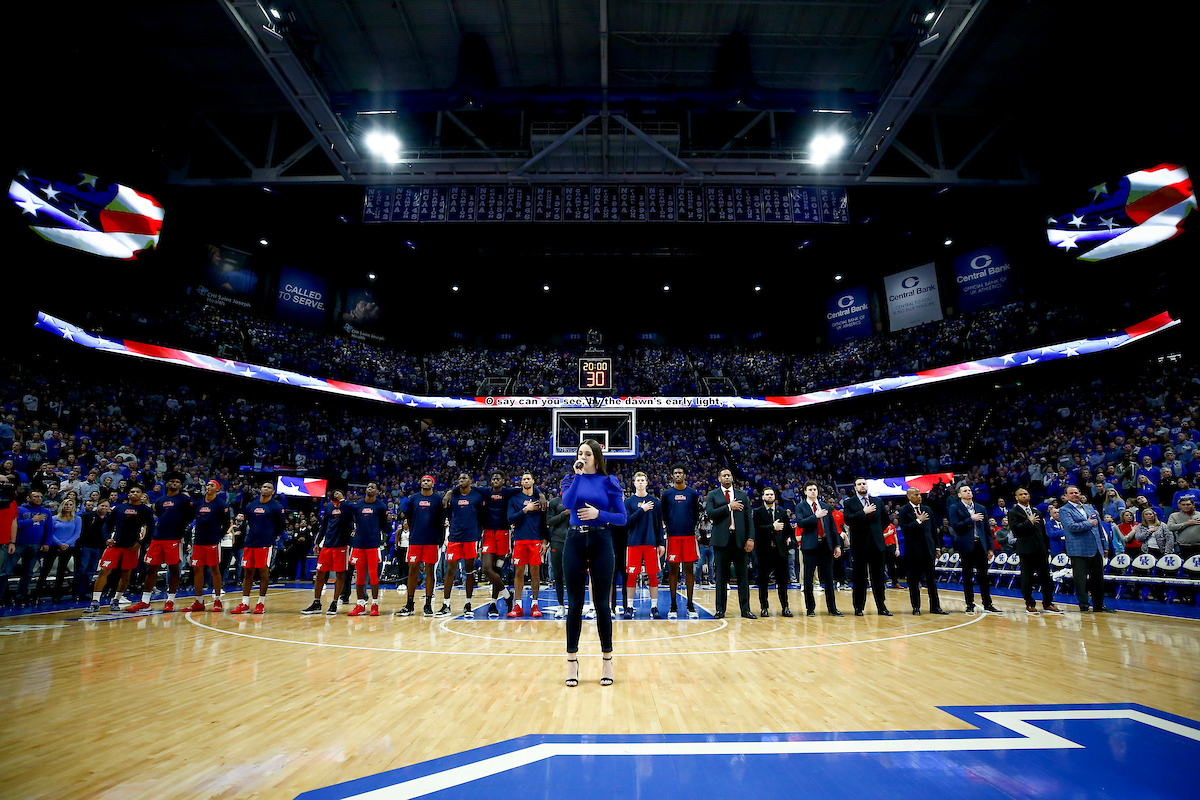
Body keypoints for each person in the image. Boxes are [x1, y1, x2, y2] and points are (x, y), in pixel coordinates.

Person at [560, 439, 626, 687]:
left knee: (601, 604)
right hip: (575, 539)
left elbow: (621, 518)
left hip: (601, 539)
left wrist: (600, 515)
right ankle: (571, 661)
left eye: (588, 453)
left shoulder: (609, 482)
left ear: (596, 457)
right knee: (574, 603)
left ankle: (607, 659)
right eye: (580, 453)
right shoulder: (570, 479)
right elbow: (568, 504)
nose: (583, 456)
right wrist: (577, 476)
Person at [127, 471, 195, 613]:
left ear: (180, 484)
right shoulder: (159, 501)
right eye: (171, 481)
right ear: (167, 483)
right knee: (151, 569)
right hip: (158, 539)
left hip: (174, 539)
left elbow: (190, 516)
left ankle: (170, 600)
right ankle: (145, 602)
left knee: (174, 570)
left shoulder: (184, 500)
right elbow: (159, 516)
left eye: (177, 482)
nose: (174, 484)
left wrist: (180, 529)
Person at [89, 484, 154, 612]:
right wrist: (106, 538)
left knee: (126, 575)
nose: (134, 493)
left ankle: (116, 600)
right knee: (104, 571)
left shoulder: (146, 511)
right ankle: (95, 601)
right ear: (128, 494)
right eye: (132, 491)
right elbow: (107, 525)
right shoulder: (119, 508)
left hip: (132, 547)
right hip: (115, 545)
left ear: (142, 496)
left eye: (137, 491)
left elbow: (151, 529)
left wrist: (141, 543)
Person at [704, 468, 755, 620]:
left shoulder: (743, 495)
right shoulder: (713, 495)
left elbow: (749, 519)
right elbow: (710, 514)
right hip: (721, 540)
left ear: (732, 477)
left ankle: (745, 609)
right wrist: (728, 507)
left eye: (729, 475)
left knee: (743, 577)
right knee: (721, 576)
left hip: (740, 540)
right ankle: (720, 609)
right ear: (719, 478)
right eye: (723, 475)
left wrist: (750, 538)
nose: (727, 477)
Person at [1008, 487, 1064, 615]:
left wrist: (1046, 547)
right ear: (1016, 497)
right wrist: (1029, 521)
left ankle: (1048, 603)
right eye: (1021, 494)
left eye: (1026, 493)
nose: (1024, 495)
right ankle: (1030, 603)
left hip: (1040, 549)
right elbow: (1016, 530)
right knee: (1027, 578)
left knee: (1045, 578)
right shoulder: (1013, 512)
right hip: (1026, 550)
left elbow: (1042, 532)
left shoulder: (1037, 511)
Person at [948, 483, 1001, 615]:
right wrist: (970, 519)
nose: (968, 492)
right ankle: (969, 604)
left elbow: (987, 530)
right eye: (965, 491)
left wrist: (990, 548)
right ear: (959, 495)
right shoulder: (955, 508)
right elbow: (955, 526)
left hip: (981, 545)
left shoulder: (981, 508)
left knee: (983, 576)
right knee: (967, 576)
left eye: (969, 490)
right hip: (966, 546)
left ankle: (988, 604)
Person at [1059, 485, 1114, 613]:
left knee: (1098, 579)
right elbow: (1071, 527)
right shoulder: (1064, 510)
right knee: (1080, 580)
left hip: (1096, 548)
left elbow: (1099, 528)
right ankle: (1084, 605)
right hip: (1078, 549)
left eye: (1077, 492)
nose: (1075, 495)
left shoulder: (1089, 508)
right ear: (1066, 496)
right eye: (1071, 493)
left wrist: (1105, 546)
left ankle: (1099, 605)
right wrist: (1089, 523)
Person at [397, 475, 446, 617]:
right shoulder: (413, 499)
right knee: (412, 571)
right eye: (423, 480)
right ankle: (409, 604)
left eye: (428, 480)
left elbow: (441, 521)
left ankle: (428, 604)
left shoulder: (437, 499)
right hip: (416, 540)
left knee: (429, 572)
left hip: (431, 540)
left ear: (433, 483)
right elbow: (409, 518)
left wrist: (439, 539)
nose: (425, 482)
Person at [439, 473, 487, 618]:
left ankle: (468, 604)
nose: (462, 480)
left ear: (471, 481)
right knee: (450, 571)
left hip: (471, 538)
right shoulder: (452, 496)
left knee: (469, 571)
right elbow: (448, 513)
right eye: (459, 478)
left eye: (465, 478)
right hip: (455, 537)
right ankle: (446, 604)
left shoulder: (477, 496)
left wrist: (477, 534)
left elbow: (481, 516)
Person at [233, 482, 286, 614]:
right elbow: (250, 521)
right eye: (264, 486)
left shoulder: (276, 507)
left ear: (273, 492)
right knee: (248, 572)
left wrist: (271, 536)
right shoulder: (251, 505)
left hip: (265, 543)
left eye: (269, 487)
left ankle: (260, 603)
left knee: (263, 571)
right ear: (260, 489)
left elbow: (280, 526)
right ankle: (245, 603)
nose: (265, 489)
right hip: (250, 542)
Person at [843, 478, 893, 617]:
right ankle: (859, 607)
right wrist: (863, 512)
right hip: (859, 545)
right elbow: (848, 519)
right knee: (860, 577)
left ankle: (881, 606)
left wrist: (875, 532)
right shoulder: (849, 502)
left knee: (878, 577)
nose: (862, 486)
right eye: (859, 484)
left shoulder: (877, 501)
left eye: (864, 483)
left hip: (877, 544)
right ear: (855, 487)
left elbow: (885, 520)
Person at [896, 487, 948, 615]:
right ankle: (916, 607)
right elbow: (906, 529)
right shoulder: (903, 511)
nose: (920, 496)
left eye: (920, 494)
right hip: (913, 551)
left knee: (931, 580)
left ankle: (935, 607)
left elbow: (933, 530)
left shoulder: (927, 509)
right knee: (913, 580)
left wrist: (936, 547)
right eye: (916, 494)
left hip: (928, 550)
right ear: (909, 496)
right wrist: (919, 521)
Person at [795, 481, 843, 617]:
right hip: (810, 546)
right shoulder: (800, 507)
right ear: (805, 492)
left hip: (825, 546)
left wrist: (837, 545)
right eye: (810, 489)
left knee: (828, 578)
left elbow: (832, 527)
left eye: (814, 489)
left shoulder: (825, 506)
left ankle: (832, 608)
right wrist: (815, 516)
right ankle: (810, 608)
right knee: (808, 579)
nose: (813, 491)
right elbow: (800, 523)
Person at [660, 464, 701, 620]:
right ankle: (673, 605)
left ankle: (690, 605)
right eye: (675, 473)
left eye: (680, 473)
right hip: (673, 537)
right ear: (672, 475)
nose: (678, 475)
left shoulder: (692, 493)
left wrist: (690, 526)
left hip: (689, 536)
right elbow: (664, 514)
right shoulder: (667, 494)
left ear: (685, 475)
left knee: (689, 571)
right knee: (673, 571)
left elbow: (696, 514)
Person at [478, 471, 521, 618]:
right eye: (493, 478)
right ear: (491, 481)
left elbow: (527, 488)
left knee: (497, 569)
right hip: (489, 534)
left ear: (503, 480)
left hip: (503, 534)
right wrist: (450, 492)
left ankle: (493, 603)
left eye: (498, 478)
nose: (496, 480)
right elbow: (467, 486)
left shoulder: (508, 492)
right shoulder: (485, 491)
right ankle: (507, 594)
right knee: (486, 568)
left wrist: (540, 494)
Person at [622, 471, 664, 620]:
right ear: (634, 483)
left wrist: (661, 543)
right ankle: (629, 607)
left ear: (646, 483)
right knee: (632, 574)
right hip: (633, 543)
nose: (640, 482)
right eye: (637, 480)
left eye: (642, 480)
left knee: (653, 574)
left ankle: (654, 607)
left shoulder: (655, 502)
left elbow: (659, 524)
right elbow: (627, 522)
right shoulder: (628, 502)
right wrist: (642, 510)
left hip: (651, 542)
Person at [506, 472, 548, 618]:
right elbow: (510, 519)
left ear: (533, 481)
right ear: (521, 482)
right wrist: (526, 510)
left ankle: (534, 605)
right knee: (518, 572)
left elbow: (544, 522)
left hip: (535, 540)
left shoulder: (540, 498)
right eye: (524, 479)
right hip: (519, 540)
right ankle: (518, 606)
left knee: (535, 573)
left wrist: (544, 541)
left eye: (528, 478)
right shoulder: (514, 499)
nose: (526, 480)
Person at [303, 490, 351, 615]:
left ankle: (334, 602)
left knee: (340, 574)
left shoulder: (347, 506)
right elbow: (324, 526)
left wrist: (342, 502)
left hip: (341, 544)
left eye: (338, 493)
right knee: (320, 573)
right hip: (327, 544)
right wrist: (318, 542)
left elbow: (348, 521)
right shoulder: (329, 506)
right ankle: (316, 602)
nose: (335, 495)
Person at [186, 480, 230, 612]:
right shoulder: (199, 503)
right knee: (197, 570)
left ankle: (217, 600)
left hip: (212, 542)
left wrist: (218, 537)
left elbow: (226, 524)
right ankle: (199, 601)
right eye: (207, 485)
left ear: (217, 489)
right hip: (198, 542)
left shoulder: (221, 505)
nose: (209, 487)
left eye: (212, 485)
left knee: (214, 570)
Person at [347, 482, 389, 617]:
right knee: (359, 576)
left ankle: (375, 604)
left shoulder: (381, 507)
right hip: (358, 544)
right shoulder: (357, 505)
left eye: (373, 487)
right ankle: (360, 604)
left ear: (377, 492)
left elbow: (385, 527)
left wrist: (388, 522)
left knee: (373, 575)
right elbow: (351, 520)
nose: (369, 488)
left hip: (373, 544)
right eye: (368, 486)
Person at [753, 487, 794, 617]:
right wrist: (772, 527)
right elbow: (756, 529)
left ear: (775, 497)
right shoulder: (758, 512)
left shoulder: (782, 512)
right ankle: (764, 607)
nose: (769, 496)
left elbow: (788, 530)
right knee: (763, 581)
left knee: (782, 581)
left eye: (771, 494)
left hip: (780, 551)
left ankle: (785, 607)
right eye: (767, 494)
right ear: (763, 497)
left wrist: (787, 539)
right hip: (764, 551)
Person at [35, 497, 81, 602]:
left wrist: (66, 545)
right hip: (53, 546)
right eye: (66, 504)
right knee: (45, 570)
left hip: (68, 547)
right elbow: (50, 533)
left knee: (61, 571)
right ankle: (37, 595)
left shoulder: (77, 519)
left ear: (73, 507)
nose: (68, 506)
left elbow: (77, 534)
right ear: (62, 506)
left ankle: (57, 595)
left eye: (70, 505)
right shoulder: (54, 518)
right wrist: (59, 544)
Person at [10, 490, 51, 606]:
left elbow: (49, 530)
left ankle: (21, 596)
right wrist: (33, 520)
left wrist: (46, 543)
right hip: (18, 544)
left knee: (28, 573)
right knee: (6, 571)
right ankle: (3, 596)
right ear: (28, 498)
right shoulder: (20, 510)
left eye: (40, 496)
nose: (39, 498)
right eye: (35, 496)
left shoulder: (46, 512)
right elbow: (16, 525)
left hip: (35, 545)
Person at [73, 498, 109, 601]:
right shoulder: (86, 516)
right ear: (97, 506)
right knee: (81, 569)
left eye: (106, 506)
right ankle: (76, 592)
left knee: (91, 571)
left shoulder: (108, 519)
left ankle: (84, 592)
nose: (104, 508)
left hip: (99, 547)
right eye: (102, 505)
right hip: (86, 546)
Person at [546, 491, 571, 618]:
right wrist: (564, 514)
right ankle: (561, 605)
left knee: (574, 576)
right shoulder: (555, 502)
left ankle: (574, 605)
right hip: (557, 541)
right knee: (558, 575)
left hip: (574, 540)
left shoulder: (578, 499)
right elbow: (549, 521)